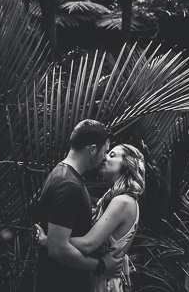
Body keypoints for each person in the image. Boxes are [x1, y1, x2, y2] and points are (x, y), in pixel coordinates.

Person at [38, 143, 146, 292]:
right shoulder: (120, 199)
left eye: (112, 155)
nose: (104, 158)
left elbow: (87, 244)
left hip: (103, 281)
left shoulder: (123, 201)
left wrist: (50, 240)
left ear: (128, 164)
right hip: (101, 276)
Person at [34, 119, 124, 292]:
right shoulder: (69, 185)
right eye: (104, 152)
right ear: (92, 150)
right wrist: (101, 265)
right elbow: (58, 249)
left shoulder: (62, 174)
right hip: (60, 283)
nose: (105, 158)